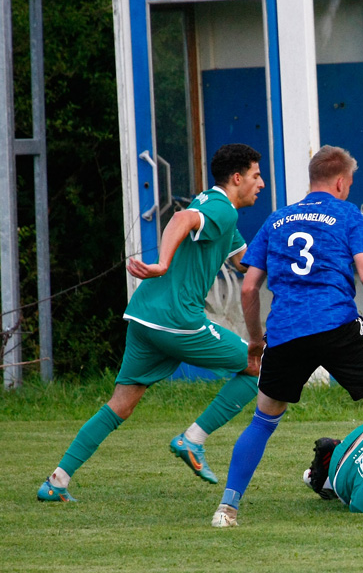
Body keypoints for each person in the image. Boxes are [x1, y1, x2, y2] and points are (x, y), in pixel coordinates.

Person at [211, 145, 363, 527]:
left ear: (313, 179)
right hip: (335, 324)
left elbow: (248, 288)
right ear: (341, 182)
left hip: (287, 330)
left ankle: (227, 508)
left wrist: (257, 340)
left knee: (262, 421)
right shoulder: (346, 215)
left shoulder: (277, 220)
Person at [37, 144, 265, 502]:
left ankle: (57, 481)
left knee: (121, 404)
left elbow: (244, 261)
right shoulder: (221, 208)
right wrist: (161, 263)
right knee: (260, 367)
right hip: (176, 318)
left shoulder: (219, 210)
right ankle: (192, 440)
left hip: (145, 317)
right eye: (256, 175)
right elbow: (181, 219)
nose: (261, 183)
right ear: (237, 178)